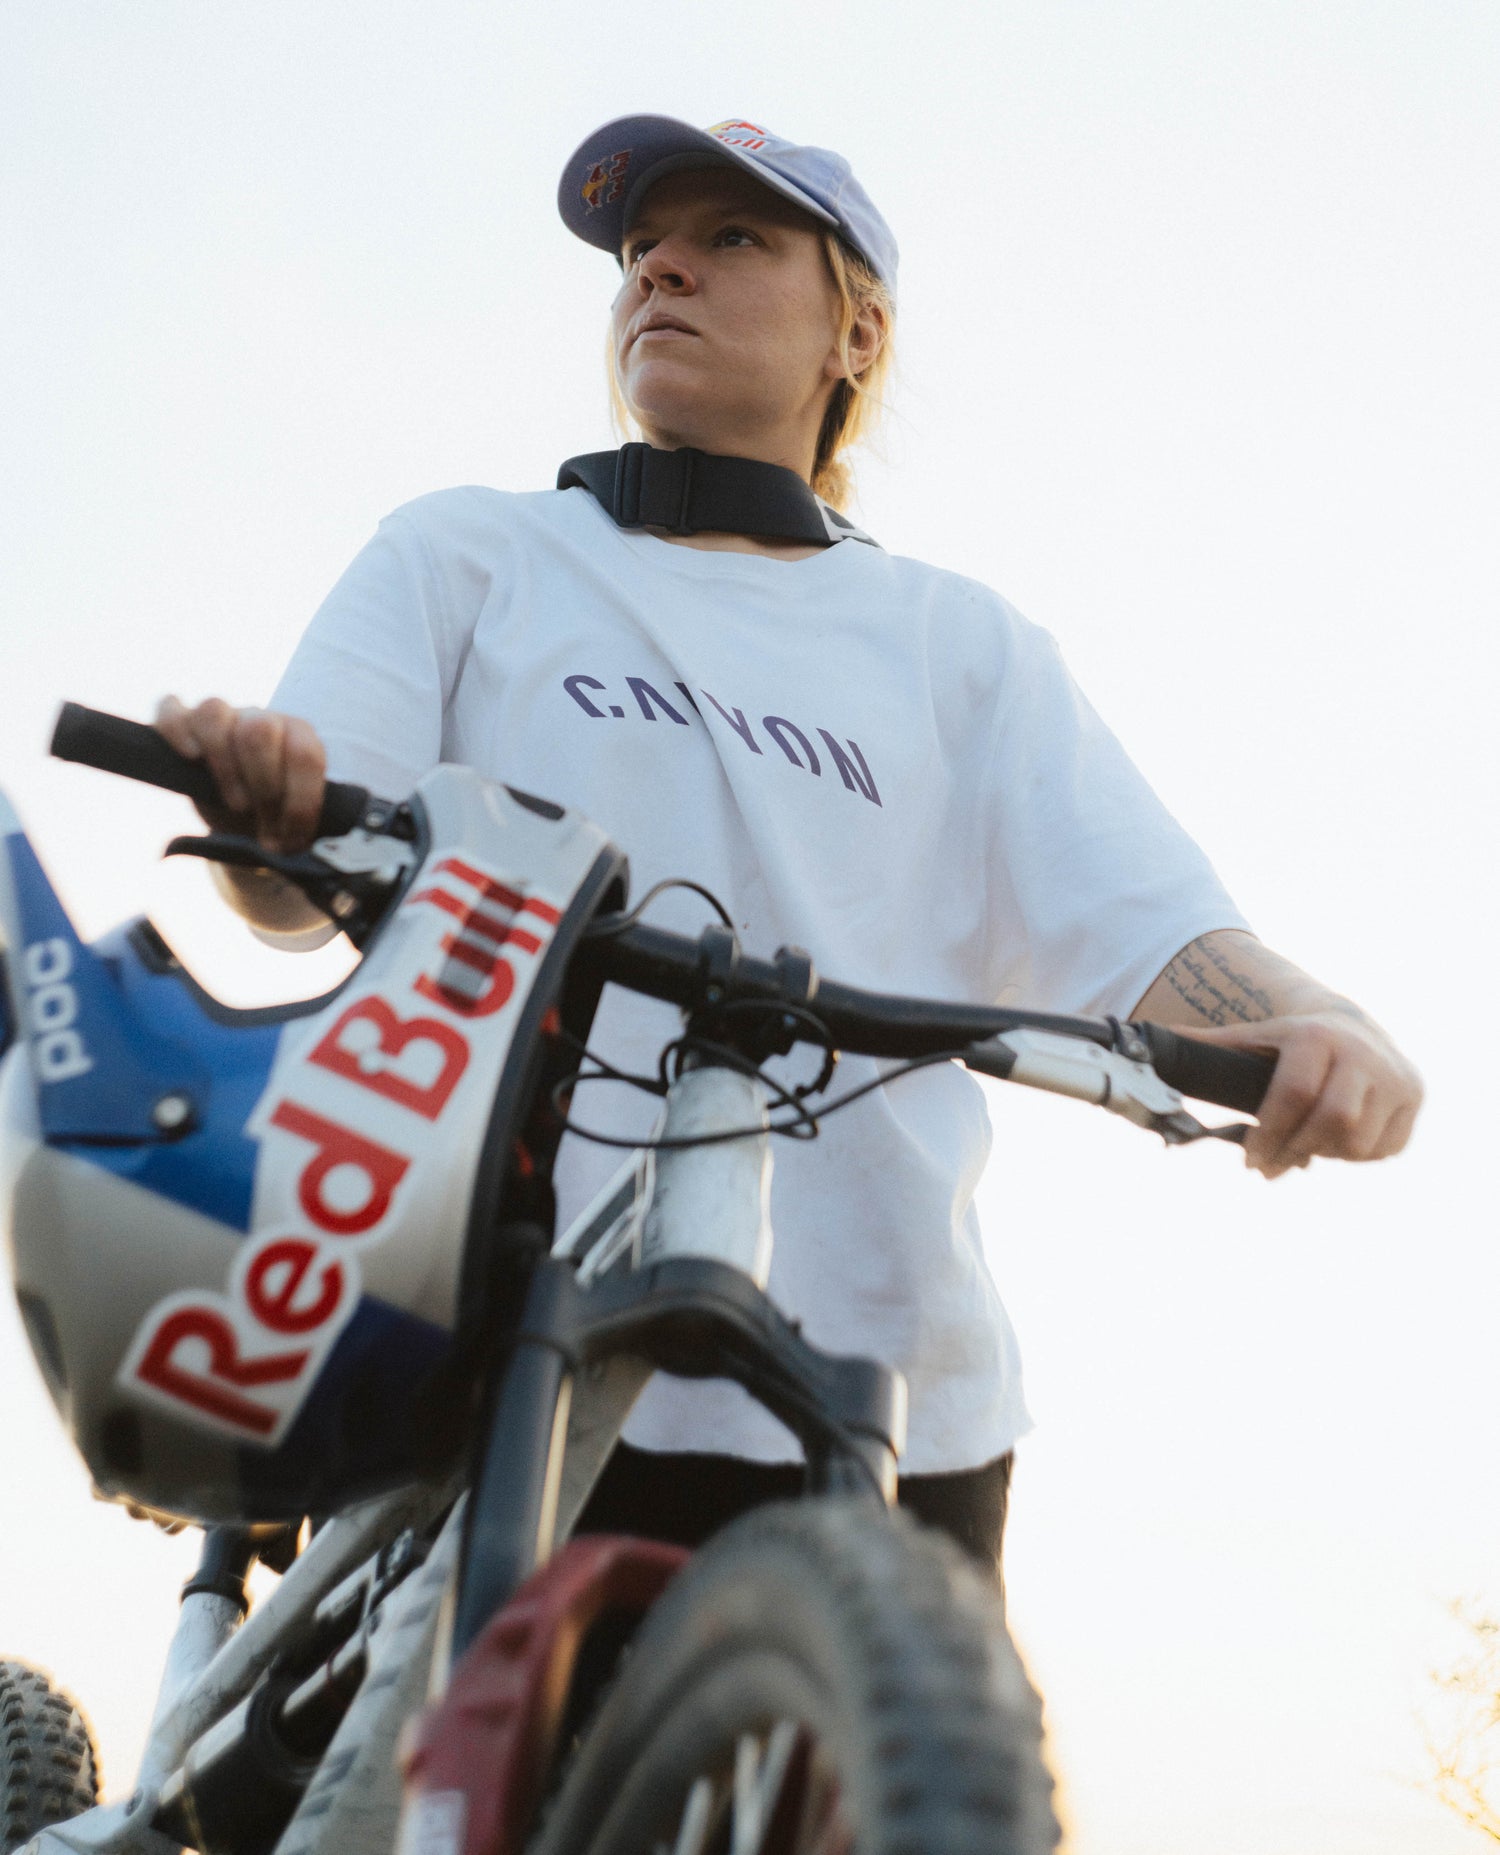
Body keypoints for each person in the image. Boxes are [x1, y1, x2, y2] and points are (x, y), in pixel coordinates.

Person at [152, 114, 1422, 1577]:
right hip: (488, 1337)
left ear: (857, 333)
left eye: (730, 239)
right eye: (640, 251)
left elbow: (1152, 934)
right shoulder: (469, 555)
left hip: (875, 1394)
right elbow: (296, 875)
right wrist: (265, 823)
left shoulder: (961, 647)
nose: (661, 273)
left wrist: (1313, 1016)